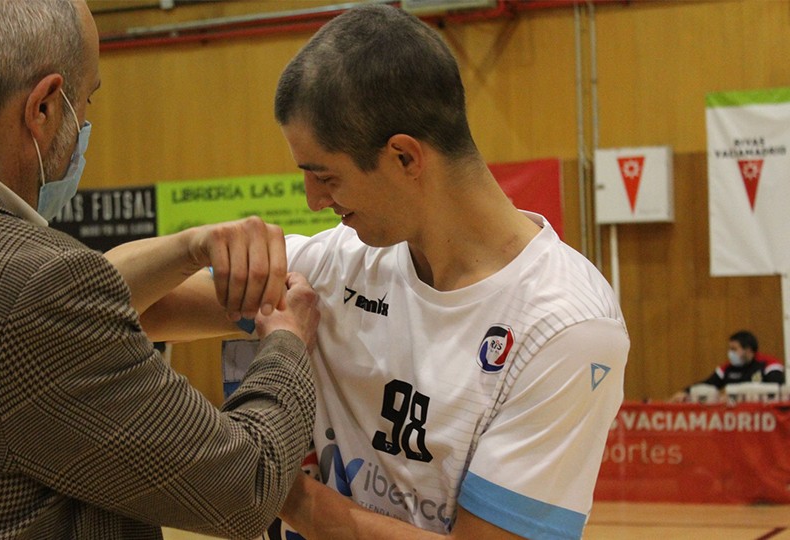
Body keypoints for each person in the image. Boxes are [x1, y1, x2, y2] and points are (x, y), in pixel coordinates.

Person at [0, 0, 320, 538]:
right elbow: (244, 488)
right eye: (85, 101)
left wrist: (189, 249)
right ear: (42, 108)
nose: (85, 123)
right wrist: (286, 344)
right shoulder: (34, 283)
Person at [142, 4, 629, 539]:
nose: (312, 201)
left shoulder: (566, 326)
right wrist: (188, 248)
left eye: (324, 175)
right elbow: (99, 312)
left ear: (404, 157)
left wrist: (267, 479)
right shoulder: (334, 264)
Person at [671, 330, 785, 402]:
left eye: (734, 349)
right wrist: (686, 392)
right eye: (730, 349)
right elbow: (709, 384)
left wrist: (734, 393)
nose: (730, 353)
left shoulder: (769, 364)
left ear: (748, 350)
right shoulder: (727, 368)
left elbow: (777, 389)